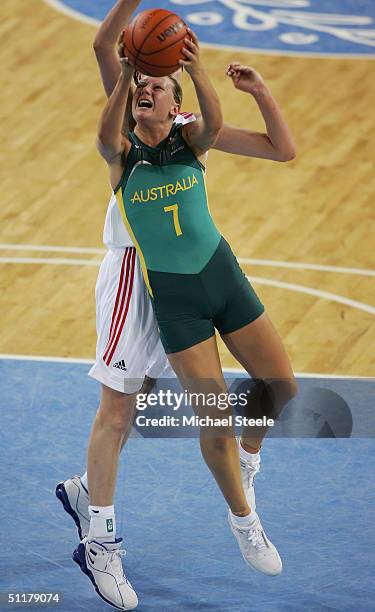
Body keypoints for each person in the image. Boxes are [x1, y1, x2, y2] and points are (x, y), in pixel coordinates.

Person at [56, 2, 296, 610]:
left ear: (174, 93)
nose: (145, 86)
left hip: (192, 272)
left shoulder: (190, 129)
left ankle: (91, 490)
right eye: (141, 79)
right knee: (120, 412)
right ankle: (101, 540)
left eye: (156, 83)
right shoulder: (126, 117)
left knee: (165, 410)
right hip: (136, 271)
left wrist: (234, 86)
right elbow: (104, 46)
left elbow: (275, 148)